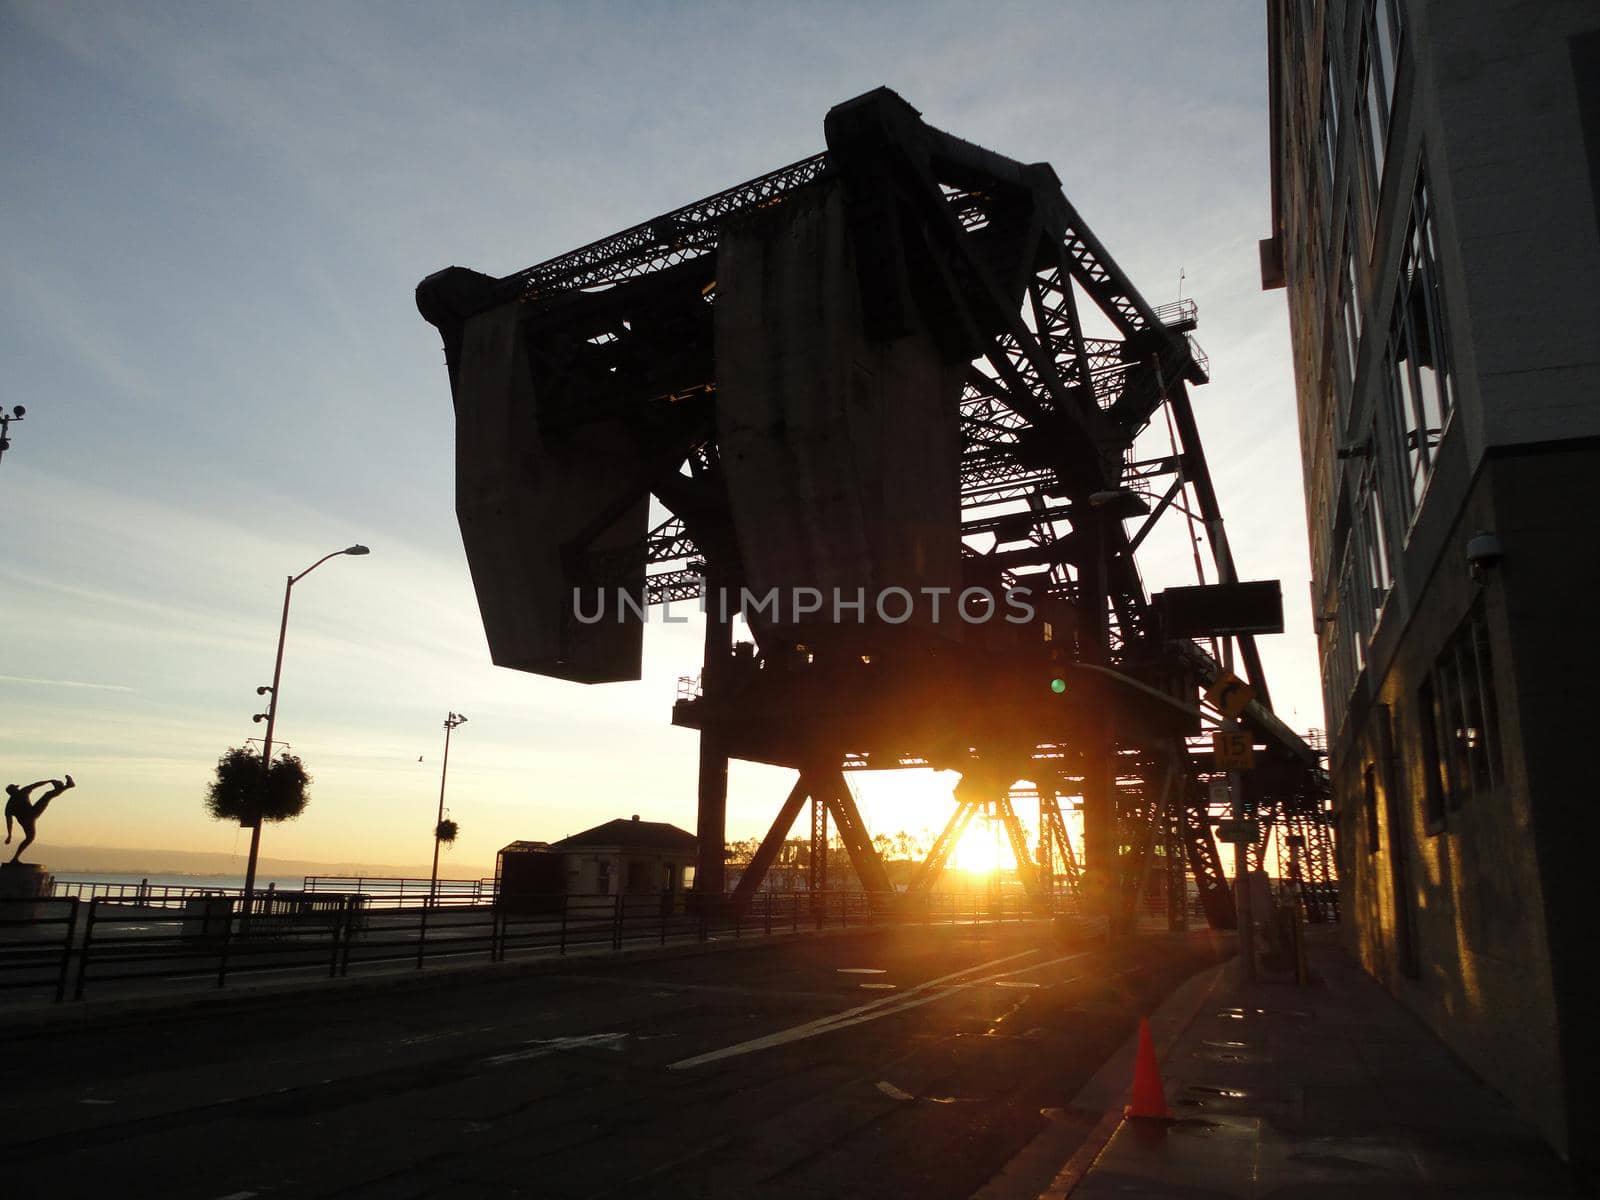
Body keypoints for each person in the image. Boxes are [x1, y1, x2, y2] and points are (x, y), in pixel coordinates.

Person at [4, 774, 74, 864]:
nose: (18, 790)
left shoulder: (13, 801)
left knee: (30, 838)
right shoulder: (18, 796)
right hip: (31, 815)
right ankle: (68, 786)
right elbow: (36, 784)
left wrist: (9, 835)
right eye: (16, 789)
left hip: (28, 817)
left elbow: (9, 822)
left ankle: (15, 858)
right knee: (47, 795)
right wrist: (49, 781)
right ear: (14, 791)